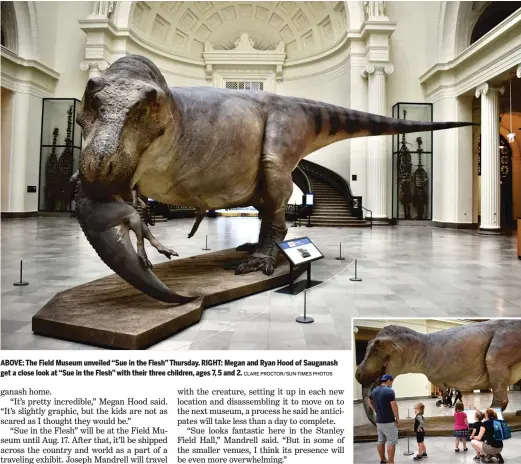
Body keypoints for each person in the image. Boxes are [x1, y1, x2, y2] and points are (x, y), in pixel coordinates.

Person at [369, 374, 399, 464]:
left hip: (379, 421)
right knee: (391, 442)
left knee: (380, 440)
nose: (391, 384)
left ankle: (383, 459)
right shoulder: (389, 391)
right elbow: (394, 406)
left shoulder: (374, 390)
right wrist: (397, 418)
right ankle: (391, 462)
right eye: (391, 382)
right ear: (389, 381)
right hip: (389, 421)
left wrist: (374, 410)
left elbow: (369, 400)